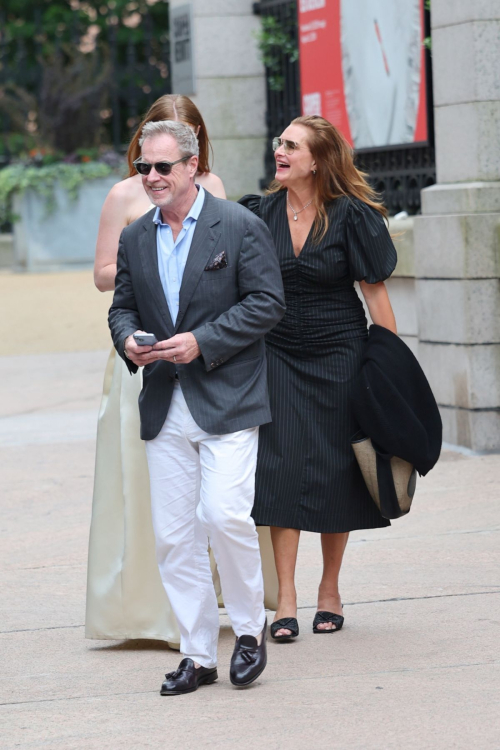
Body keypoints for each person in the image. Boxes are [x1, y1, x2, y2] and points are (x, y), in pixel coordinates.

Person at [108, 120, 286, 693]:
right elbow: (122, 308)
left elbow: (267, 303)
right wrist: (130, 340)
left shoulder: (238, 225)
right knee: (174, 535)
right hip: (164, 400)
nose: (152, 177)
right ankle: (199, 654)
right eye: (143, 168)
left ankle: (251, 631)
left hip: (229, 397)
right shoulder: (136, 236)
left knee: (226, 516)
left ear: (192, 165)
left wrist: (203, 340)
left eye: (163, 166)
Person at [239, 115, 397, 640]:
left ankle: (329, 588)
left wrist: (388, 369)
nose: (279, 151)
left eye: (291, 145)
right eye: (280, 142)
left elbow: (376, 297)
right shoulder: (259, 213)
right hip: (278, 353)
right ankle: (285, 596)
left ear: (317, 161)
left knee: (335, 467)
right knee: (281, 466)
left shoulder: (352, 217)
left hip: (341, 352)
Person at [86, 96, 227, 647]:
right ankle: (149, 610)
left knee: (213, 492)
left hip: (202, 352)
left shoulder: (214, 189)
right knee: (144, 486)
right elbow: (101, 275)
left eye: (185, 134)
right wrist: (151, 254)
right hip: (140, 356)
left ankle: (212, 600)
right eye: (156, 141)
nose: (159, 165)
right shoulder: (123, 195)